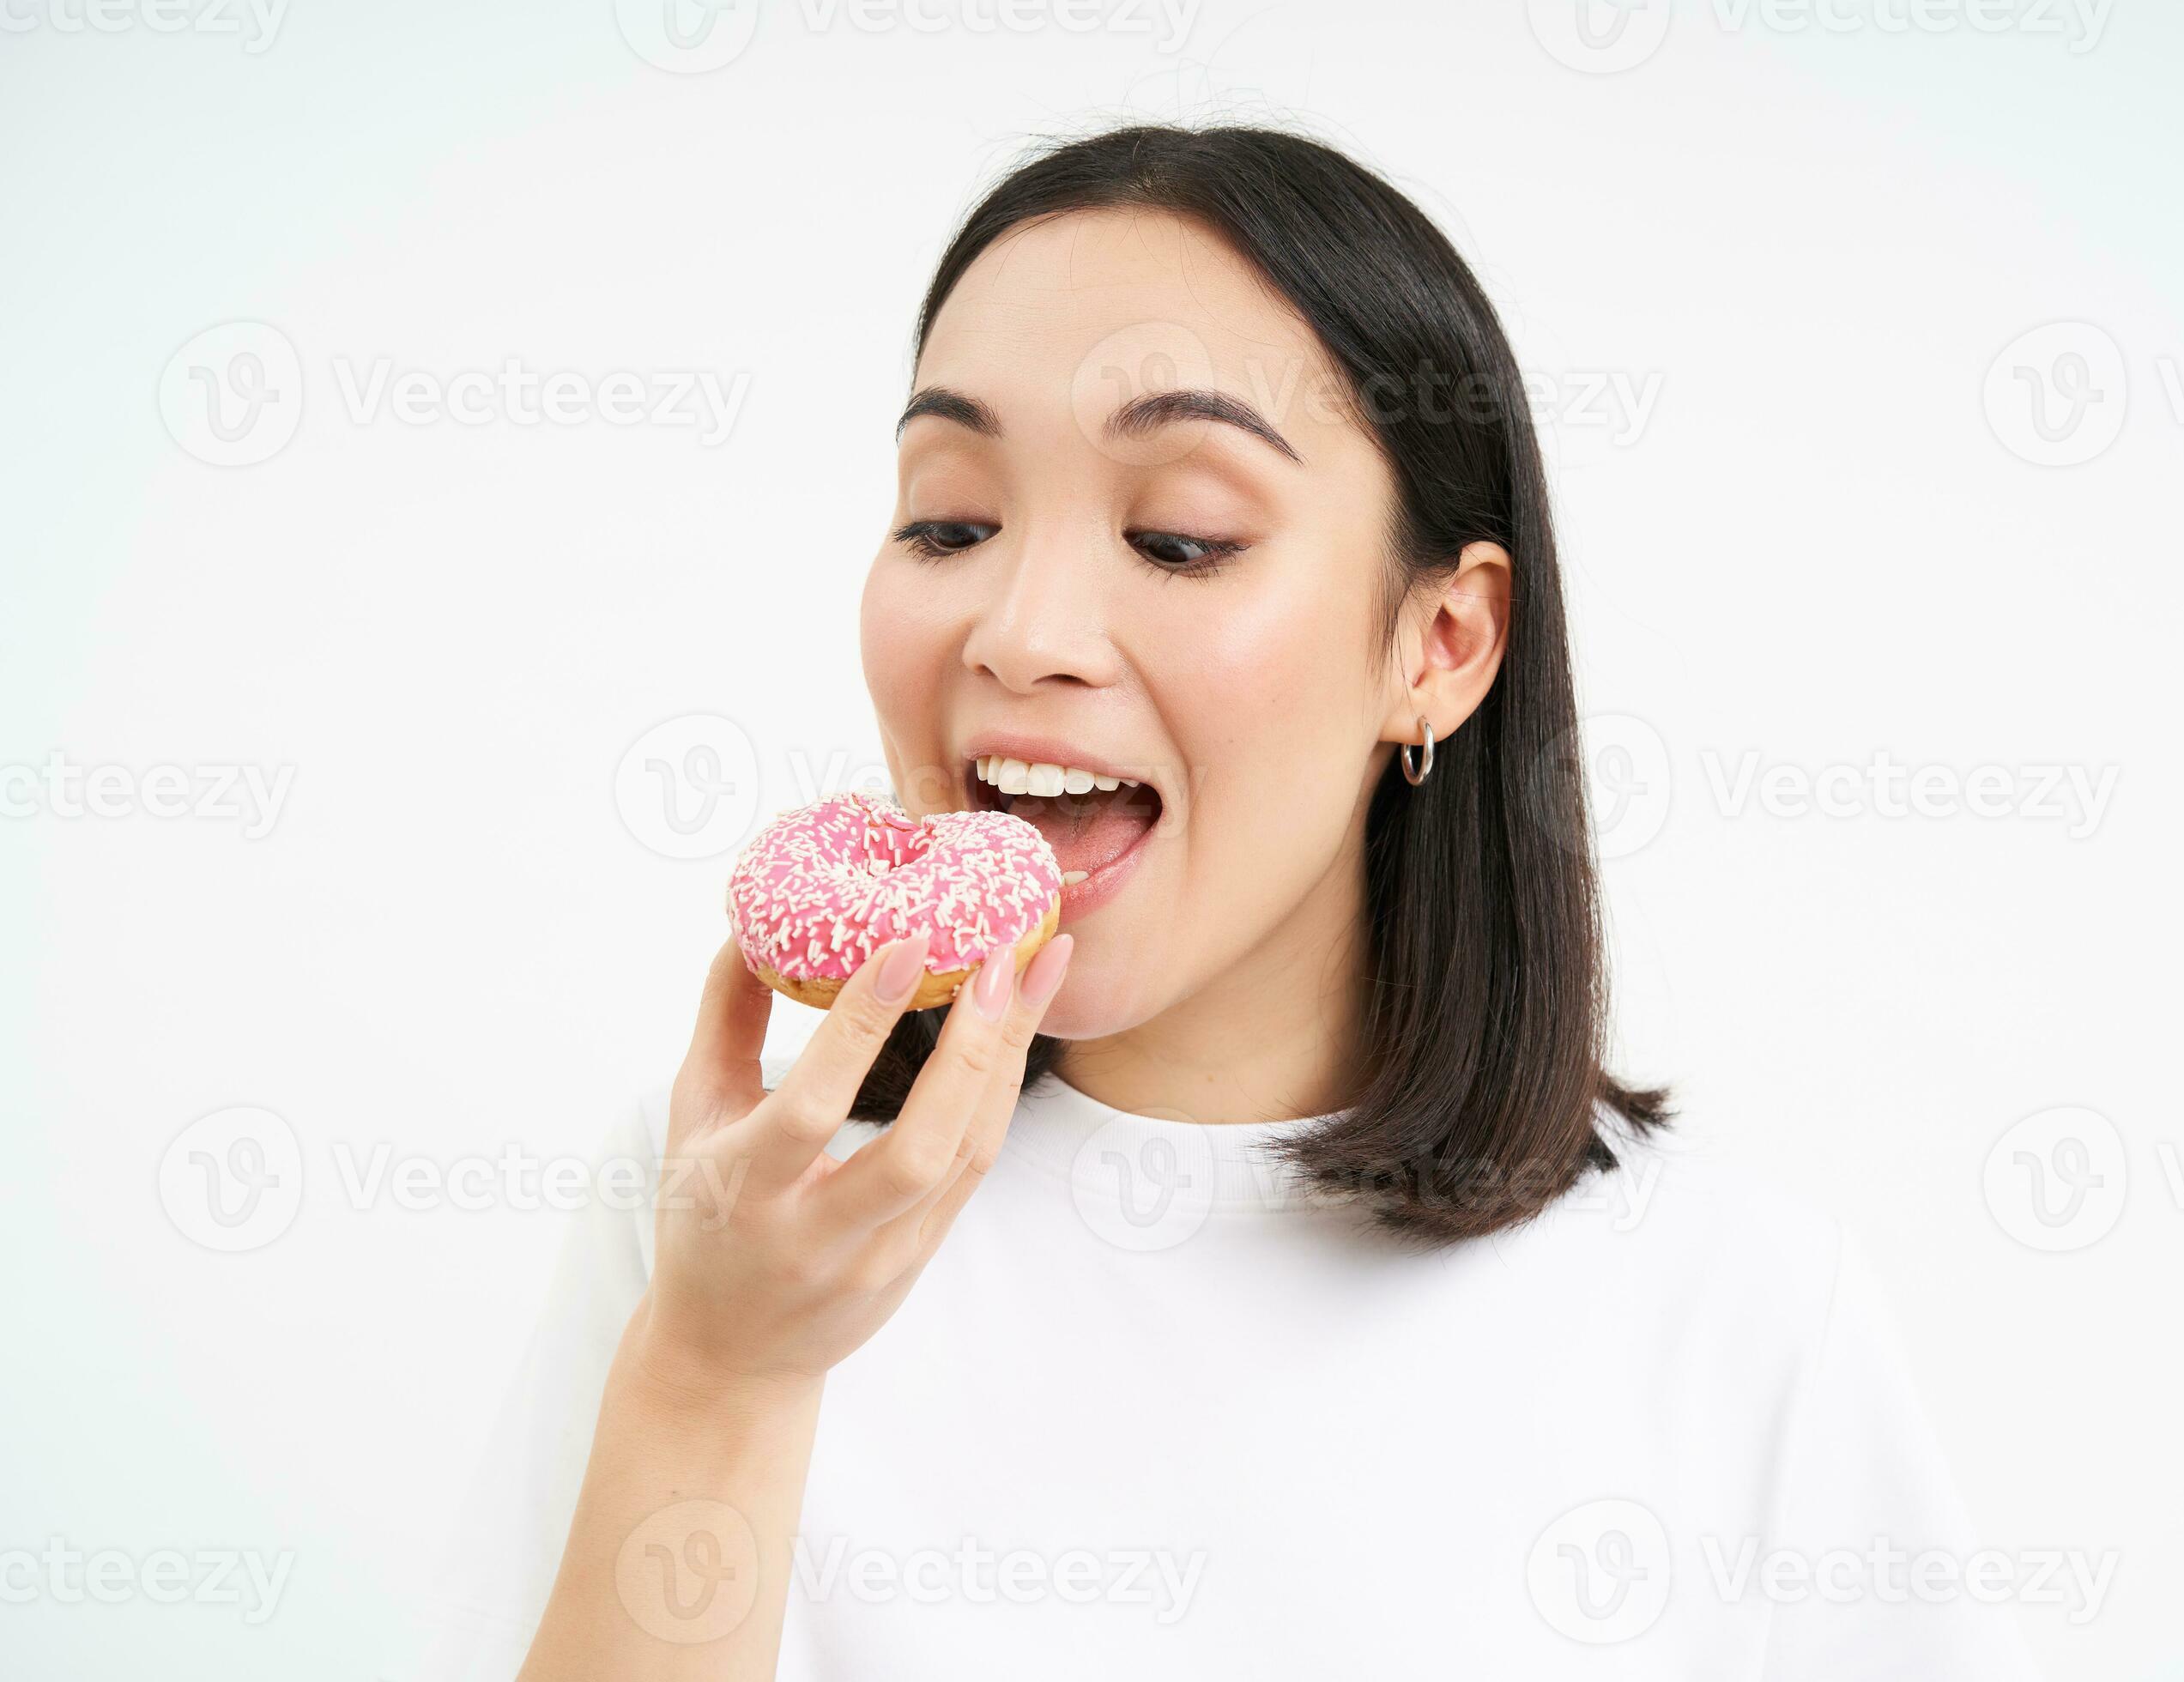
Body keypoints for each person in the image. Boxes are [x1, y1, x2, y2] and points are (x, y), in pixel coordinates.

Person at [420, 123, 2037, 1679]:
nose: (1020, 629)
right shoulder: (730, 1217)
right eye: (950, 520)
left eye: (1181, 538)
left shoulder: (1738, 1316)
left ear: (1441, 647)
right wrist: (721, 1374)